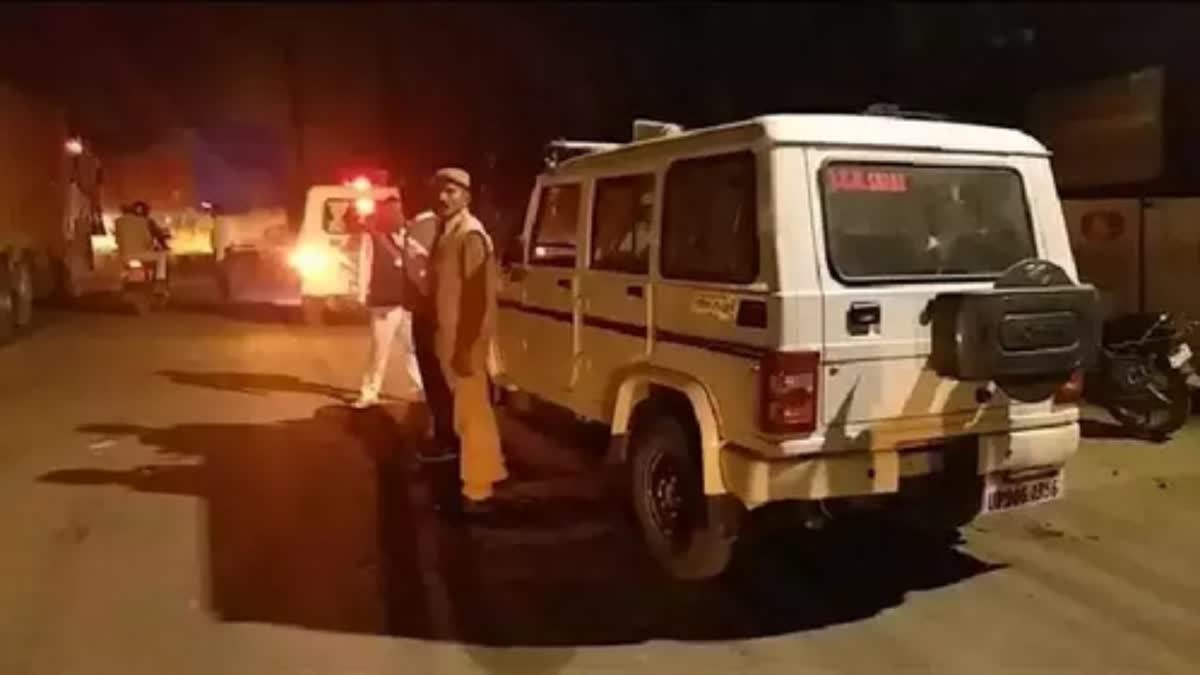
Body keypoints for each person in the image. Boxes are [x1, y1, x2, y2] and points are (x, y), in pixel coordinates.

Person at [429, 167, 507, 515]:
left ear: (467, 196)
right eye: (441, 191)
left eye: (452, 191)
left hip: (465, 345)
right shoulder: (450, 231)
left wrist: (469, 349)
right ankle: (480, 481)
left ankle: (478, 489)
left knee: (473, 415)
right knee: (467, 415)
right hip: (450, 341)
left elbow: (481, 299)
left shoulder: (471, 235)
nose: (444, 197)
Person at [353, 195, 425, 408]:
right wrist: (362, 293)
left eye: (399, 210)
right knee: (380, 351)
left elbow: (421, 255)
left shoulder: (409, 235)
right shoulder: (374, 237)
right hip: (384, 301)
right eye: (393, 211)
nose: (398, 215)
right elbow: (364, 265)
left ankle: (422, 387)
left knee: (414, 348)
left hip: (407, 302)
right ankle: (369, 392)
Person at [113, 201, 168, 283]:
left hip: (124, 255)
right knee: (162, 257)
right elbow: (149, 239)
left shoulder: (118, 222)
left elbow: (117, 240)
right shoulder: (144, 222)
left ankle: (122, 279)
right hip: (142, 253)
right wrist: (156, 246)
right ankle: (160, 282)